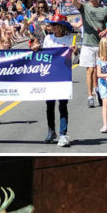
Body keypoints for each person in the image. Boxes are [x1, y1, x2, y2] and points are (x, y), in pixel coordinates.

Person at [34, 14, 76, 147]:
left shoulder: (69, 39)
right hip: (50, 76)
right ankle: (51, 130)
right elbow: (43, 54)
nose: (51, 27)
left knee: (63, 105)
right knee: (49, 105)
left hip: (63, 76)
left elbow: (74, 59)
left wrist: (74, 51)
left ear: (61, 26)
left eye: (54, 24)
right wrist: (36, 49)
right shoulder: (48, 38)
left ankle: (63, 134)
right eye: (51, 24)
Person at [72, 0, 107, 108]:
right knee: (90, 70)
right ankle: (90, 96)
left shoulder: (105, 9)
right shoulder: (84, 7)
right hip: (88, 44)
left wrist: (105, 30)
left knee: (99, 70)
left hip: (100, 45)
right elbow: (74, 2)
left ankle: (99, 90)